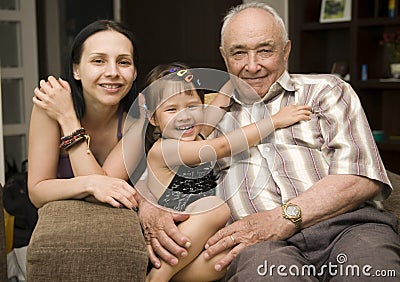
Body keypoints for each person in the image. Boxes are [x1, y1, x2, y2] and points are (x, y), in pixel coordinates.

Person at [138, 2, 400, 281]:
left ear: (286, 50)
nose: (252, 66)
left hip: (350, 227)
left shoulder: (325, 91)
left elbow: (360, 176)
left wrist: (282, 218)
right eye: (239, 53)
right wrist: (147, 205)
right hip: (260, 245)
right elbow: (160, 168)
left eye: (265, 50)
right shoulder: (203, 119)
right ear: (224, 57)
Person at [141, 62, 311, 281]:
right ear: (154, 118)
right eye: (171, 109)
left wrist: (239, 77)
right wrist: (275, 121)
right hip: (173, 240)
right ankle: (156, 277)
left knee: (235, 251)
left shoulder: (197, 133)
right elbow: (222, 146)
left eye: (192, 106)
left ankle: (175, 278)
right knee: (217, 209)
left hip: (194, 249)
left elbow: (220, 102)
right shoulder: (165, 149)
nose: (184, 117)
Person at [28, 20, 144, 210]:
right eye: (98, 61)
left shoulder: (138, 115)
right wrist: (91, 184)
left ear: (134, 73)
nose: (113, 72)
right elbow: (37, 192)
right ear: (76, 70)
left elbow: (105, 195)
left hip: (119, 227)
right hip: (61, 225)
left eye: (123, 62)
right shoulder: (50, 106)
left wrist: (68, 119)